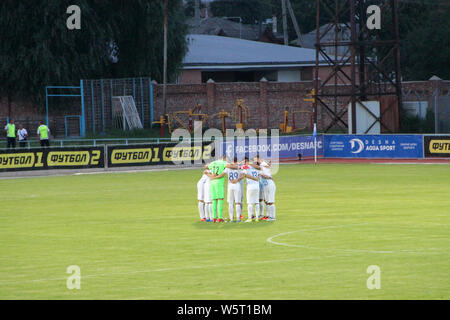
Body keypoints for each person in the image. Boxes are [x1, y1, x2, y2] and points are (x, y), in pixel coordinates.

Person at [224, 157, 244, 222]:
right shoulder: (239, 167)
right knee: (238, 203)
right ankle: (238, 218)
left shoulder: (228, 167)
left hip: (230, 185)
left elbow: (223, 173)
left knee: (230, 203)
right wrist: (237, 179)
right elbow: (243, 175)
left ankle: (231, 219)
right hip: (237, 185)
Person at [243, 157, 260, 222]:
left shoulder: (246, 167)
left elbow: (245, 175)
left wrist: (253, 179)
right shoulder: (256, 168)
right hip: (257, 186)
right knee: (256, 202)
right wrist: (256, 179)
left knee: (250, 203)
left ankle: (250, 218)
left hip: (250, 186)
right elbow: (259, 176)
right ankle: (257, 218)